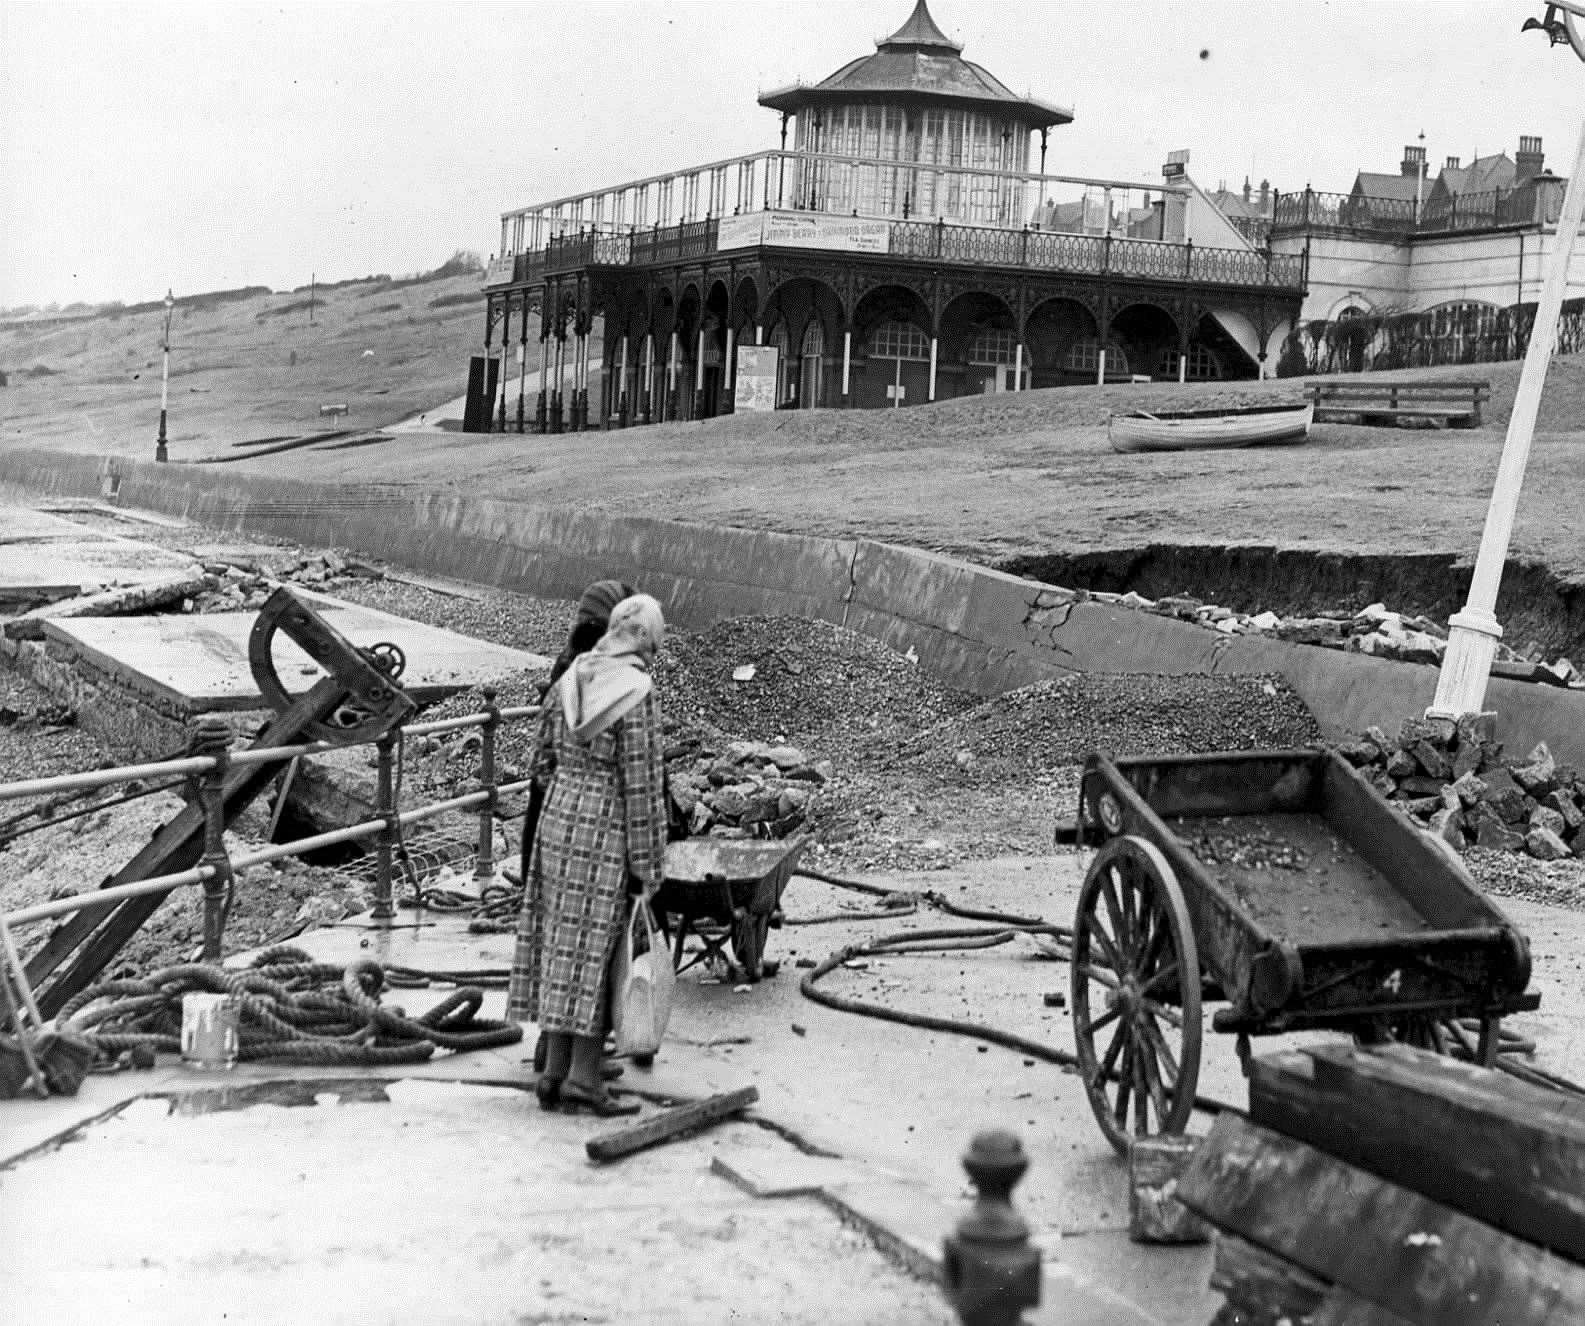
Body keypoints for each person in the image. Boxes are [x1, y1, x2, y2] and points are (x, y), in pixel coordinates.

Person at [508, 593, 668, 1116]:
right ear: (645, 640)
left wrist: (566, 795)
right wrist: (648, 868)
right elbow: (643, 785)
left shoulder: (570, 678)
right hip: (606, 824)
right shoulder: (636, 692)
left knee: (560, 944)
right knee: (596, 951)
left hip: (558, 818)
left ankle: (551, 1072)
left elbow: (541, 762)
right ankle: (583, 1080)